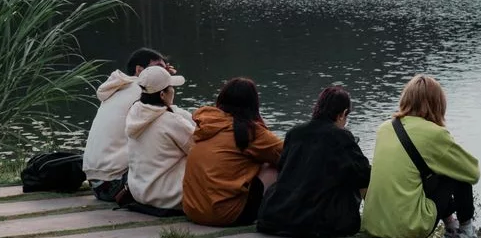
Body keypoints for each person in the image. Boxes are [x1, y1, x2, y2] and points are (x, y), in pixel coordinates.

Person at [362, 75, 480, 238]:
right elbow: (472, 172)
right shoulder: (435, 134)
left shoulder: (384, 128)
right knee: (458, 172)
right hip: (407, 228)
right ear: (437, 103)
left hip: (374, 225)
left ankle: (451, 225)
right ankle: (466, 231)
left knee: (426, 172)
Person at [257, 85, 372, 238]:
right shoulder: (341, 136)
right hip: (319, 223)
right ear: (343, 114)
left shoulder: (294, 133)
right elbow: (365, 175)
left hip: (278, 217)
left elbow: (282, 169)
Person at [182, 77, 283, 227]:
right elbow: (289, 152)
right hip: (227, 215)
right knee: (273, 166)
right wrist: (261, 125)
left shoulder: (207, 125)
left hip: (193, 210)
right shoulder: (251, 132)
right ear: (253, 104)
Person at [82, 48, 172, 201]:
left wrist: (161, 78)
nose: (165, 73)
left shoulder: (118, 89)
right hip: (117, 185)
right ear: (139, 70)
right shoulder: (142, 94)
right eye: (158, 68)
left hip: (96, 184)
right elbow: (172, 120)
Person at [124, 65, 194, 212]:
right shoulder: (172, 121)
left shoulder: (134, 113)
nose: (174, 91)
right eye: (171, 87)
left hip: (139, 193)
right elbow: (200, 151)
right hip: (169, 197)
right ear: (162, 95)